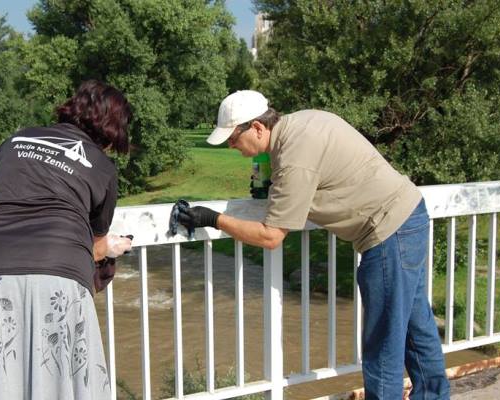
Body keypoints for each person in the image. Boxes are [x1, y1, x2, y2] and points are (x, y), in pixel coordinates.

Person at [176, 90, 450, 399]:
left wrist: (212, 218)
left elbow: (271, 236)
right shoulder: (302, 123)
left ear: (257, 128)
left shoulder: (293, 157)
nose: (231, 145)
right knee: (417, 327)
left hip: (386, 233)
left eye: (233, 137)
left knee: (383, 343)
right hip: (408, 215)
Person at [0, 80, 133, 400]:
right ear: (112, 128)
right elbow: (96, 247)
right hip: (58, 281)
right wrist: (115, 247)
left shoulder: (15, 141)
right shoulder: (103, 167)